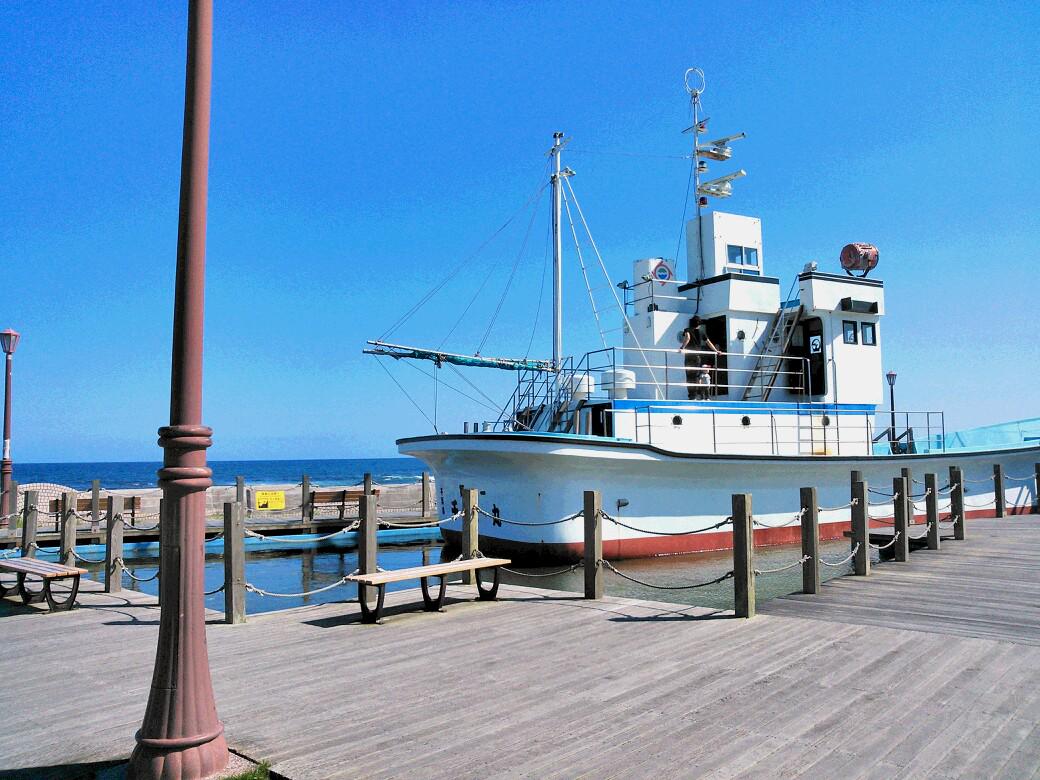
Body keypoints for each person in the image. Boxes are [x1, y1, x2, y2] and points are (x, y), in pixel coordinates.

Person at [678, 315, 720, 400]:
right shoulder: (701, 332)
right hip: (697, 357)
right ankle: (698, 395)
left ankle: (692, 396)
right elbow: (708, 342)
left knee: (689, 376)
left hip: (689, 356)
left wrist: (682, 347)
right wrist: (716, 351)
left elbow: (687, 338)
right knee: (696, 376)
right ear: (699, 324)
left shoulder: (687, 330)